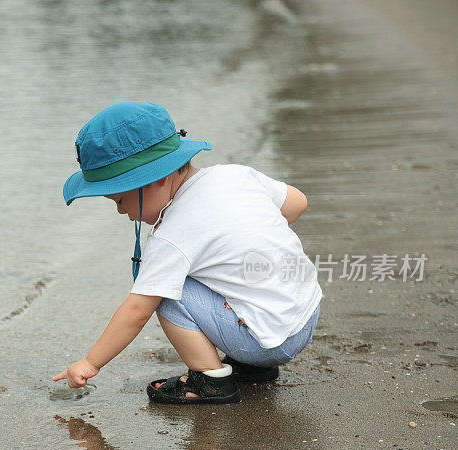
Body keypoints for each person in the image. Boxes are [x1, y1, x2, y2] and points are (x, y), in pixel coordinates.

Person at [52, 101, 322, 404]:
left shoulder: (172, 235)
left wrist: (90, 363)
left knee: (164, 292)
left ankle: (211, 381)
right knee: (219, 273)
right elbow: (298, 203)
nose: (120, 211)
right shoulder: (235, 175)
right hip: (306, 315)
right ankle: (254, 368)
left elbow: (136, 311)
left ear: (156, 179)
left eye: (120, 199)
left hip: (265, 342)